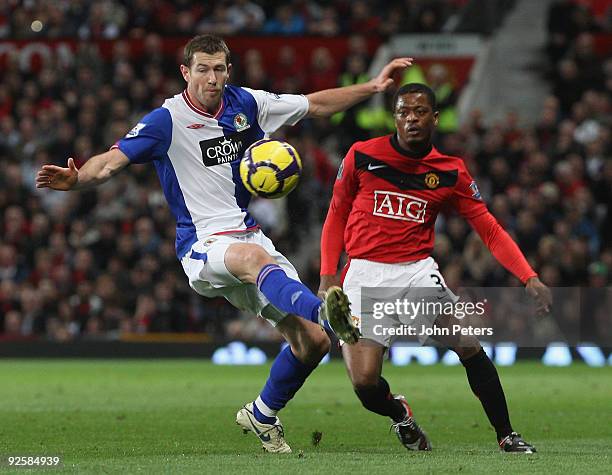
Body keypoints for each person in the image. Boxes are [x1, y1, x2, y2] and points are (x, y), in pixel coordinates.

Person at [35, 34, 413, 454]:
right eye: (202, 69)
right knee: (260, 264)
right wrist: (77, 179)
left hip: (247, 235)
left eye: (218, 69)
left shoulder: (247, 104)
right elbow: (110, 161)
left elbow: (313, 104)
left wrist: (374, 87)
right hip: (202, 246)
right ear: (186, 72)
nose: (211, 78)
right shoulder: (167, 120)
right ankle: (327, 313)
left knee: (312, 343)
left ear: (228, 70)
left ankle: (263, 412)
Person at [319, 83, 552, 453]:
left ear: (435, 117)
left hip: (415, 273)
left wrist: (529, 276)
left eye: (420, 111)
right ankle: (401, 415)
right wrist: (328, 275)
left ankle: (506, 434)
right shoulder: (362, 156)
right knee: (365, 385)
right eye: (403, 112)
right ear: (393, 117)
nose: (411, 118)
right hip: (363, 275)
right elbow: (335, 214)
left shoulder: (450, 172)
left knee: (468, 345)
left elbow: (489, 229)